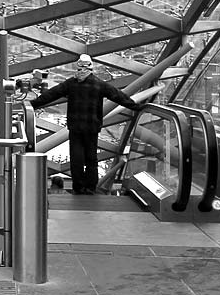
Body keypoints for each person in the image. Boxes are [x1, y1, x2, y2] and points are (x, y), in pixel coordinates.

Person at [30, 54, 140, 195]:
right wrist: (136, 107)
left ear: (78, 66)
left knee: (77, 158)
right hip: (92, 127)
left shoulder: (71, 84)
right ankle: (90, 187)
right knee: (91, 159)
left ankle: (78, 187)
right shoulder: (99, 84)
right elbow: (118, 96)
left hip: (75, 127)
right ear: (91, 67)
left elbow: (51, 94)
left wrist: (32, 104)